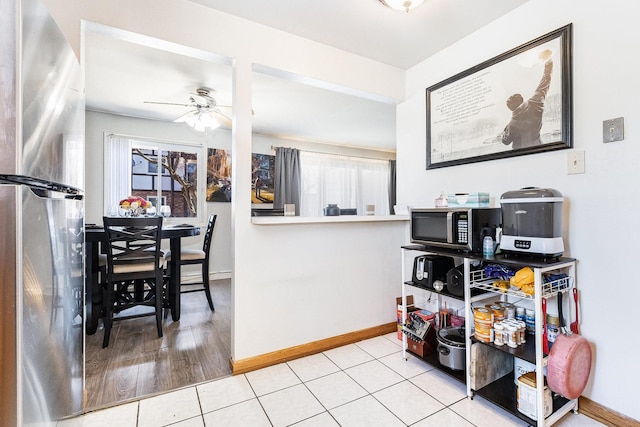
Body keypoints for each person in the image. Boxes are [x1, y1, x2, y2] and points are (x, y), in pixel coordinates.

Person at [500, 49, 553, 150]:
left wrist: (505, 129)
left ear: (511, 108)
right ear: (521, 100)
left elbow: (505, 141)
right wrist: (548, 60)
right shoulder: (536, 102)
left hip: (521, 155)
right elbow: (546, 79)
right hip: (539, 147)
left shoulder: (512, 124)